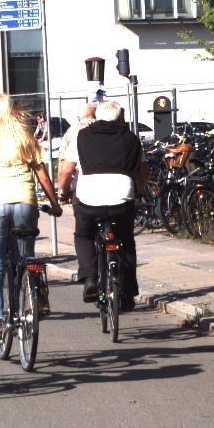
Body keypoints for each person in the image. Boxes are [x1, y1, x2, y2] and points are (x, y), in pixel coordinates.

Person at [0, 93, 63, 343]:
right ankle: (34, 291)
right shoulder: (25, 136)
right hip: (25, 202)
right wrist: (55, 204)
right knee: (26, 255)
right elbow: (42, 174)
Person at [58, 99, 146, 308]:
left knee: (84, 235)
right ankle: (128, 292)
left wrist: (64, 191)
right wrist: (138, 191)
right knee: (126, 240)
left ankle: (90, 279)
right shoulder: (131, 139)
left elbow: (66, 171)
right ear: (119, 118)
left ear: (97, 117)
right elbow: (143, 172)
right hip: (122, 199)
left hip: (89, 200)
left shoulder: (82, 137)